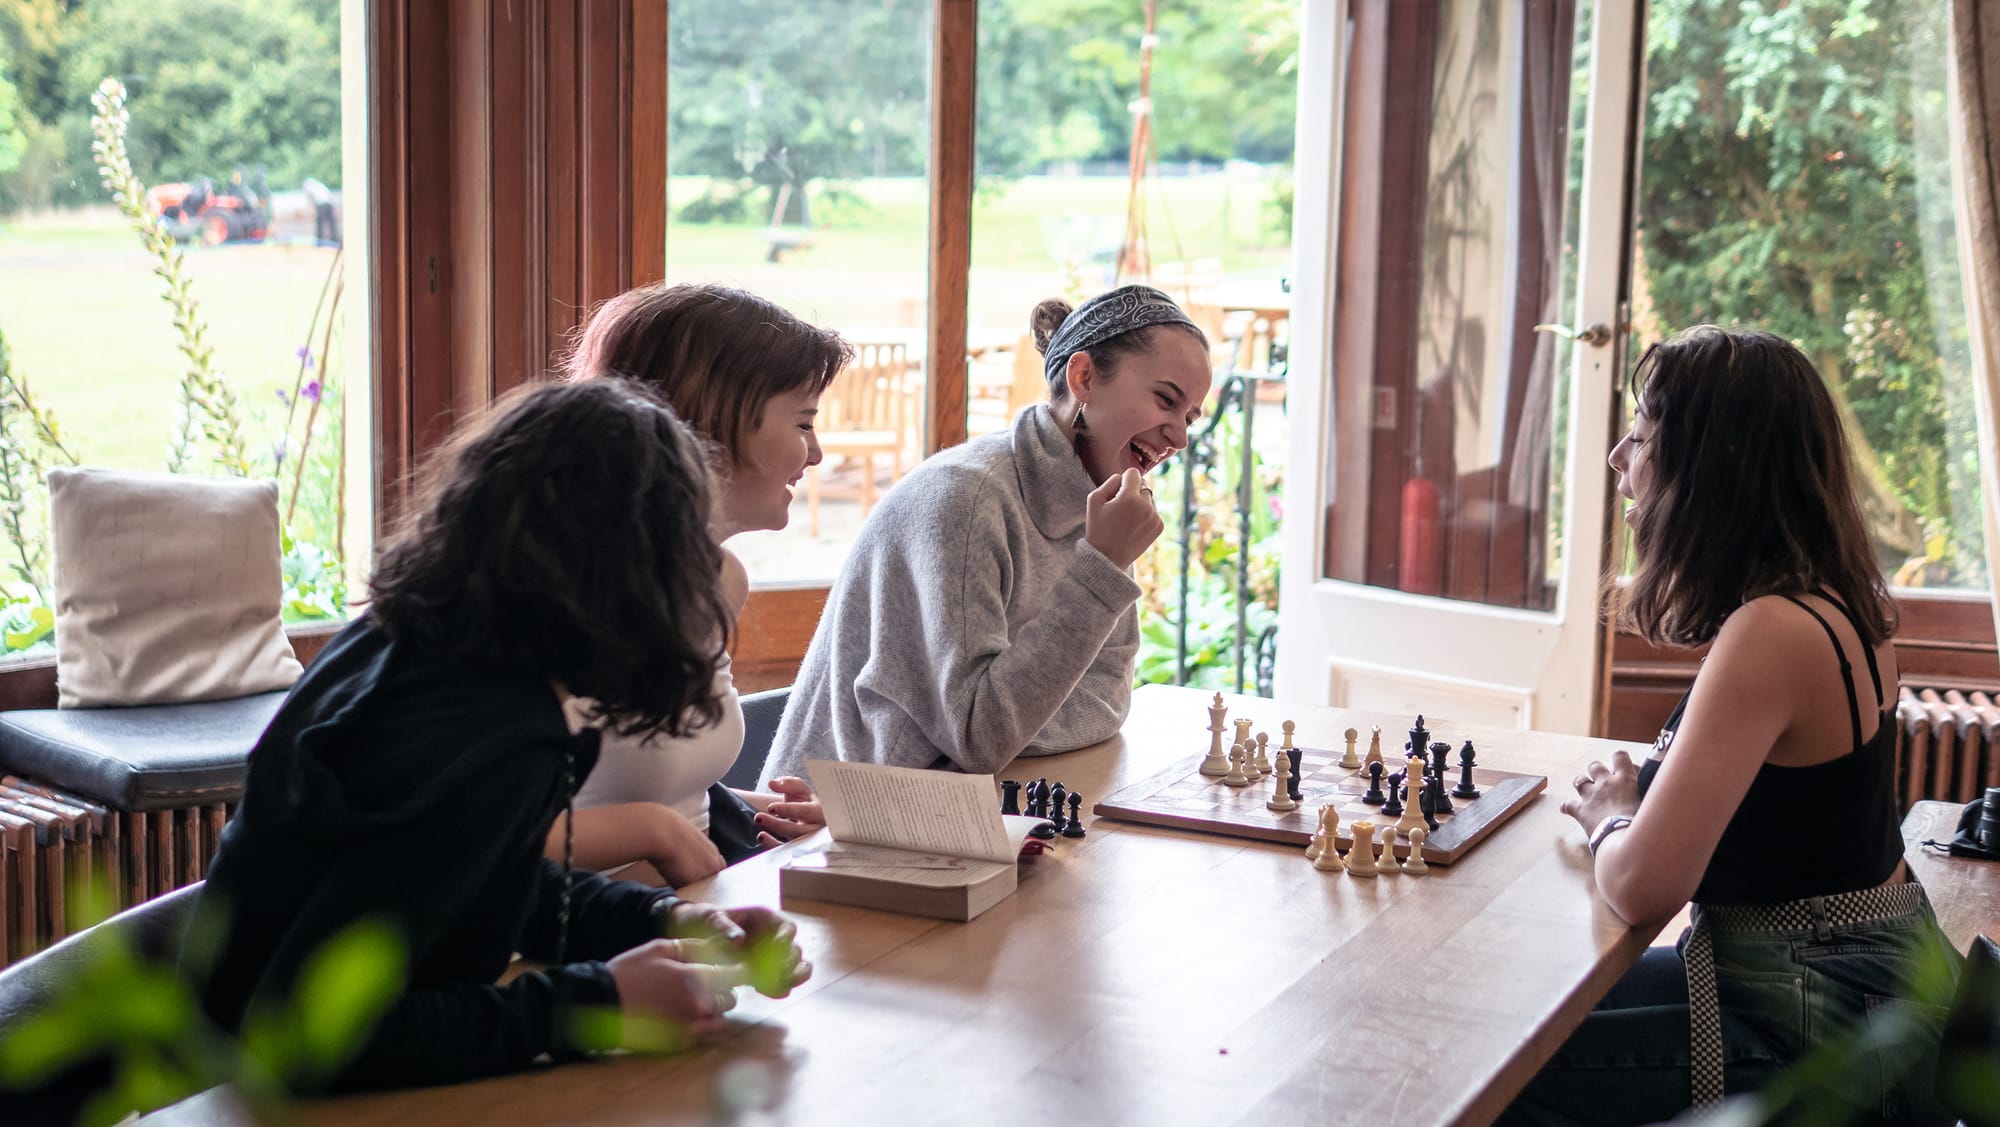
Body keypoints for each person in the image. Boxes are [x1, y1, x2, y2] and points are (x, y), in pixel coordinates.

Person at [187, 380, 811, 1091]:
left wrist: (663, 919)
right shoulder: (499, 731)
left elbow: (472, 877)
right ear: (631, 576)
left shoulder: (402, 639)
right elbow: (308, 1032)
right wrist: (597, 1002)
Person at [1501, 327, 1959, 1125]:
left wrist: (1614, 819)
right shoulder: (1836, 600)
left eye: (1640, 437)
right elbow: (1780, 813)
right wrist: (1646, 803)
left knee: (1488, 1071)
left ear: (1709, 472)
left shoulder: (1773, 632)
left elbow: (1644, 884)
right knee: (1512, 1011)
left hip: (1819, 1021)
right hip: (1867, 985)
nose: (1618, 457)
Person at [760, 284, 1212, 784]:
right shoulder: (967, 500)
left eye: (1189, 416)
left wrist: (1010, 724)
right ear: (1083, 377)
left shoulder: (1102, 504)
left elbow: (1106, 702)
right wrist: (1101, 569)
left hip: (953, 810)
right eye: (1166, 400)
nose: (1180, 436)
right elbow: (981, 736)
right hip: (817, 831)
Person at [551, 283, 848, 884]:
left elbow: (662, 788)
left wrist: (772, 812)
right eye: (804, 422)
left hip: (698, 910)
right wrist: (654, 833)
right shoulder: (562, 594)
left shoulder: (716, 578)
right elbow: (476, 830)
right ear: (716, 417)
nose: (815, 454)